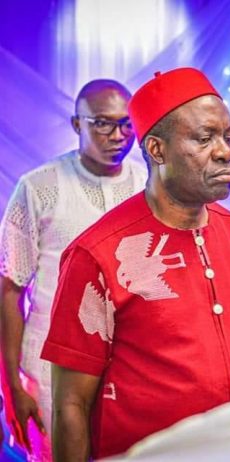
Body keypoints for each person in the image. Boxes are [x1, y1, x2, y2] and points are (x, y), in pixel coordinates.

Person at [41, 67, 230, 460]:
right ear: (156, 150)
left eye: (228, 136)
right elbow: (71, 404)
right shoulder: (98, 254)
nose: (226, 151)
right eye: (204, 138)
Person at [0, 79, 146, 460]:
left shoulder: (148, 186)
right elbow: (9, 291)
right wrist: (11, 387)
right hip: (50, 367)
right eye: (103, 123)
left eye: (127, 123)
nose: (119, 135)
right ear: (77, 124)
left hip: (131, 367)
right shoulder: (39, 187)